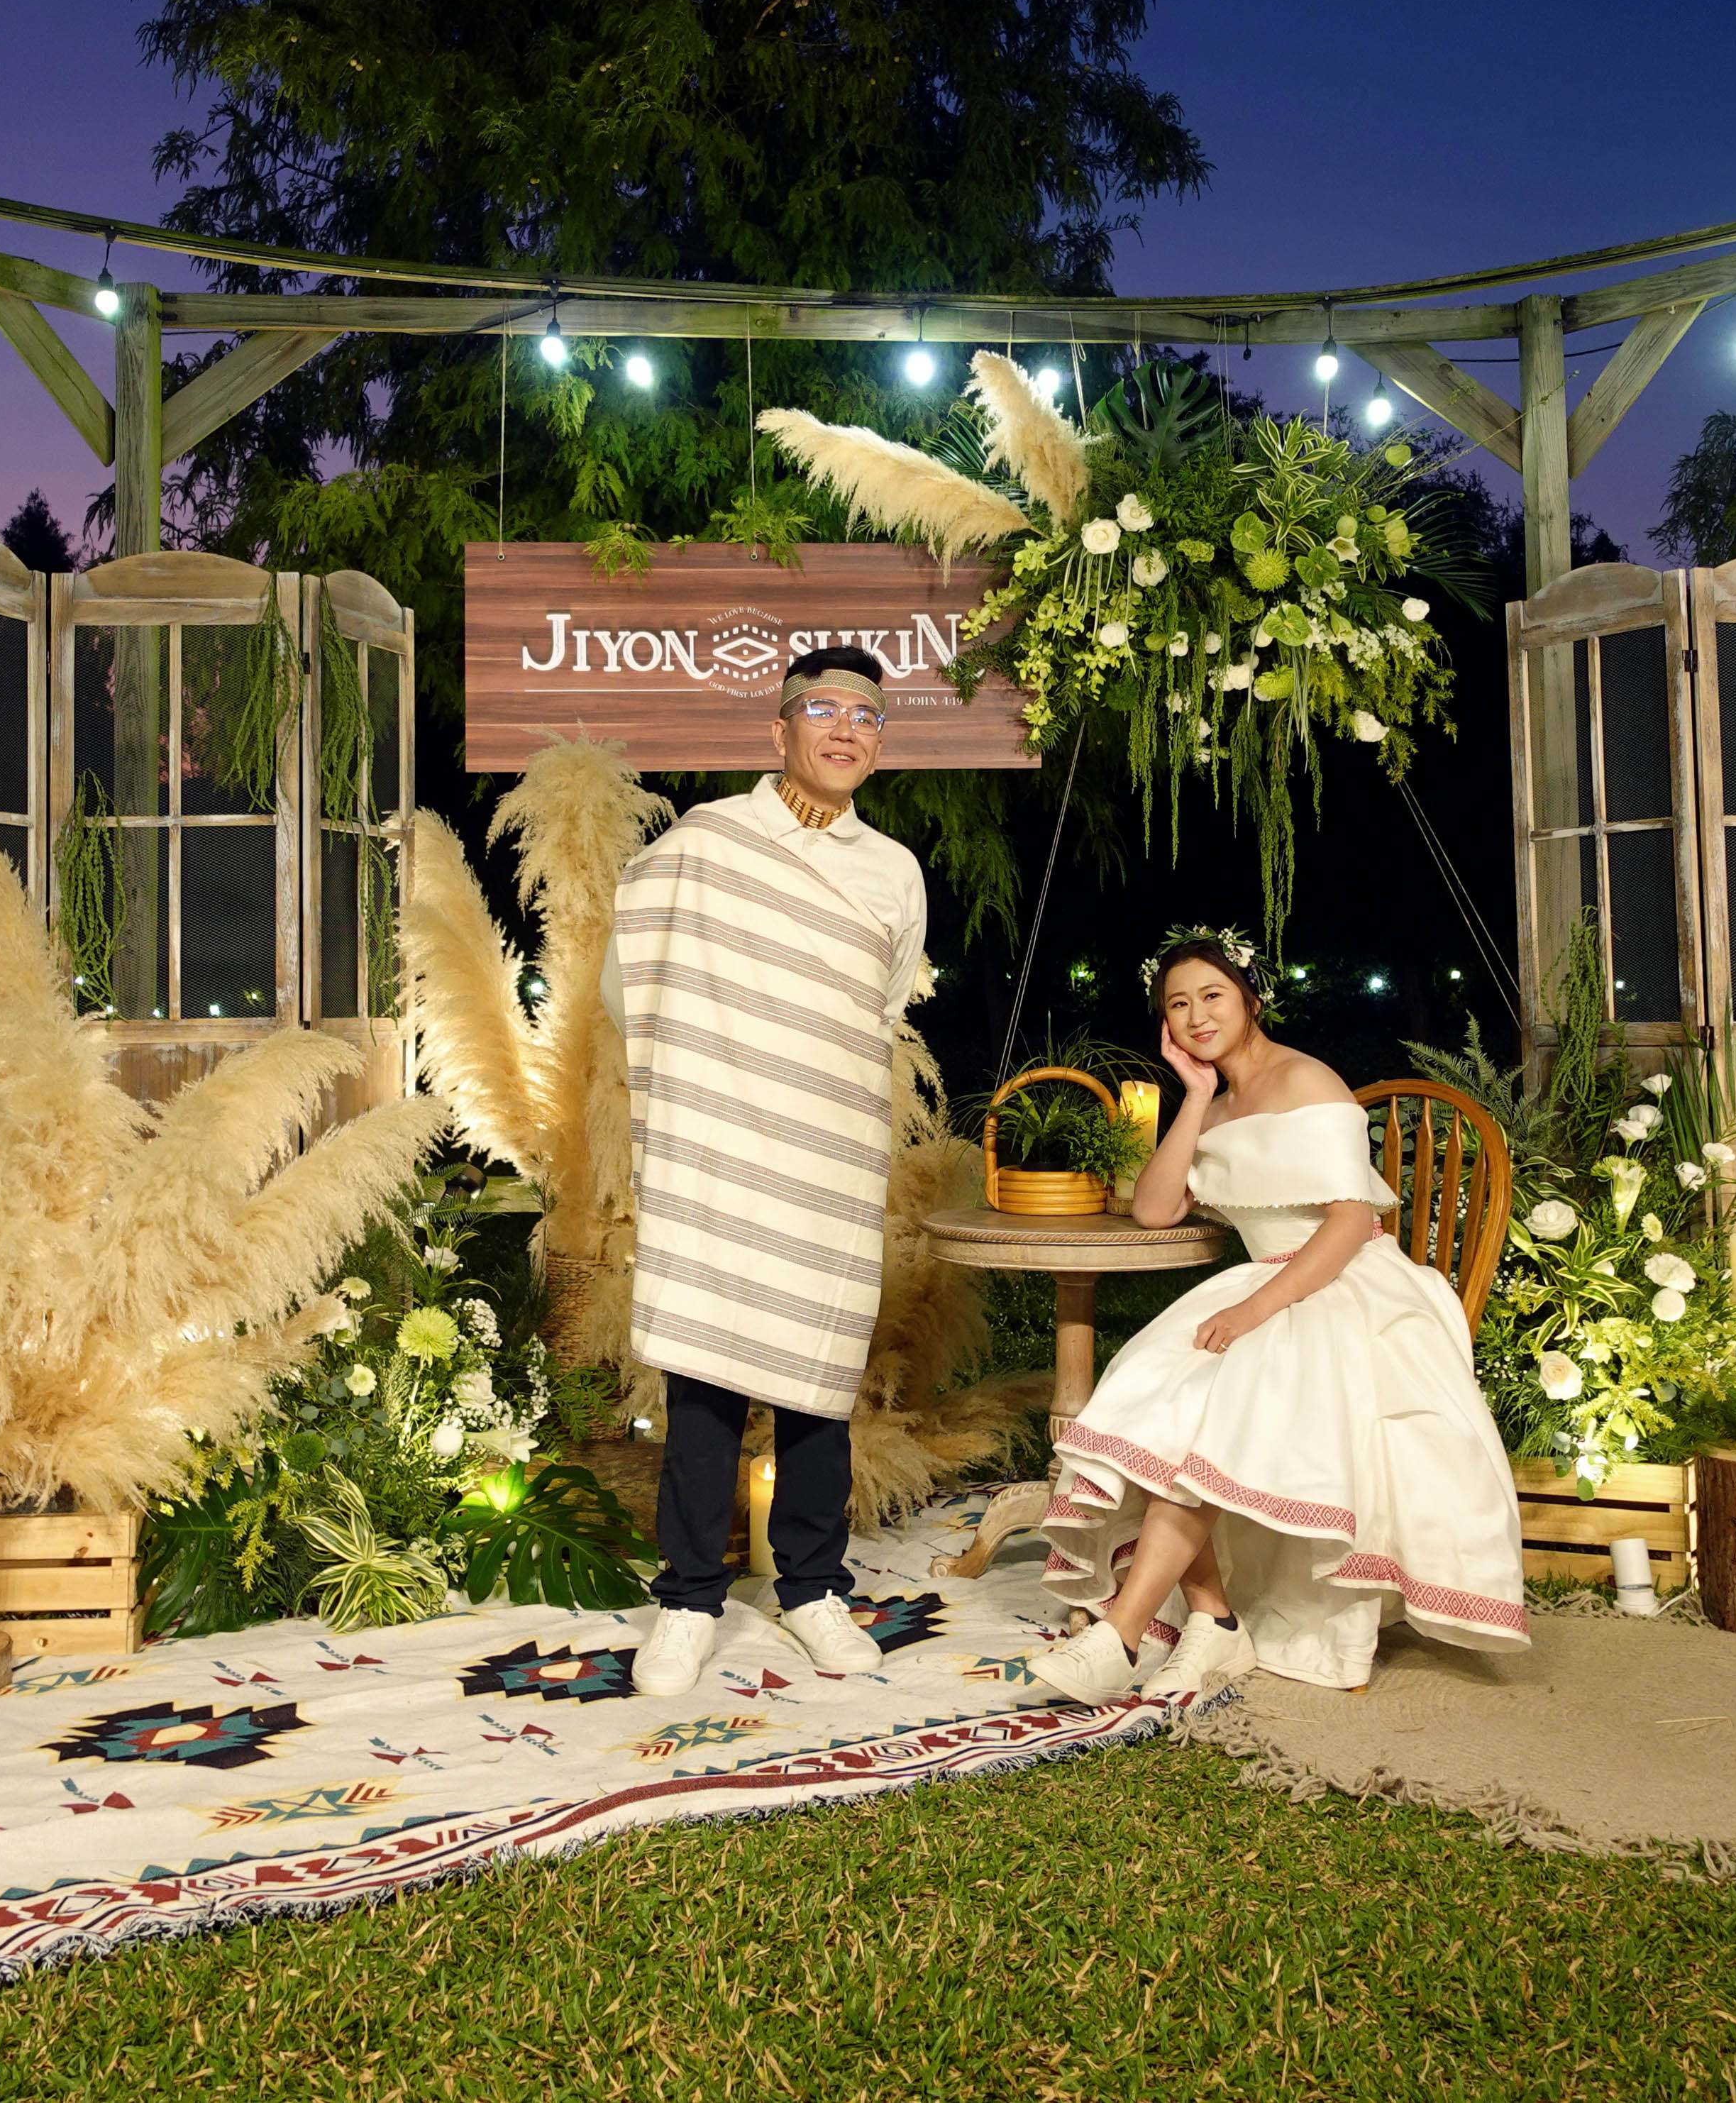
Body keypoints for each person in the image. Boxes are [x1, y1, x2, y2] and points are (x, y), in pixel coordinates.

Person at [1027, 931, 1532, 1704]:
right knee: (1156, 1404)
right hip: (1265, 1281)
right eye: (1178, 1004)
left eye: (1212, 996)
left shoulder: (1307, 1080)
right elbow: (1155, 1208)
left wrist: (1254, 1309)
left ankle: (1120, 1634)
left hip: (1344, 1282)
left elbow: (1349, 1221)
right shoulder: (1216, 1106)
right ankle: (1213, 1618)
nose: (1197, 1015)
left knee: (1212, 1403)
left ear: (1251, 998)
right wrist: (1194, 1096)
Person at [604, 645, 929, 1696]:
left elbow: (875, 1008)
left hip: (827, 1146)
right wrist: (709, 1074)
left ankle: (813, 1587)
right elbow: (629, 976)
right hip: (719, 1137)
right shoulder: (708, 842)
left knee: (819, 1375)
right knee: (702, 1375)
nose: (845, 730)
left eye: (866, 717)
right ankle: (689, 1598)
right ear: (778, 729)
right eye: (823, 710)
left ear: (878, 743)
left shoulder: (894, 870)